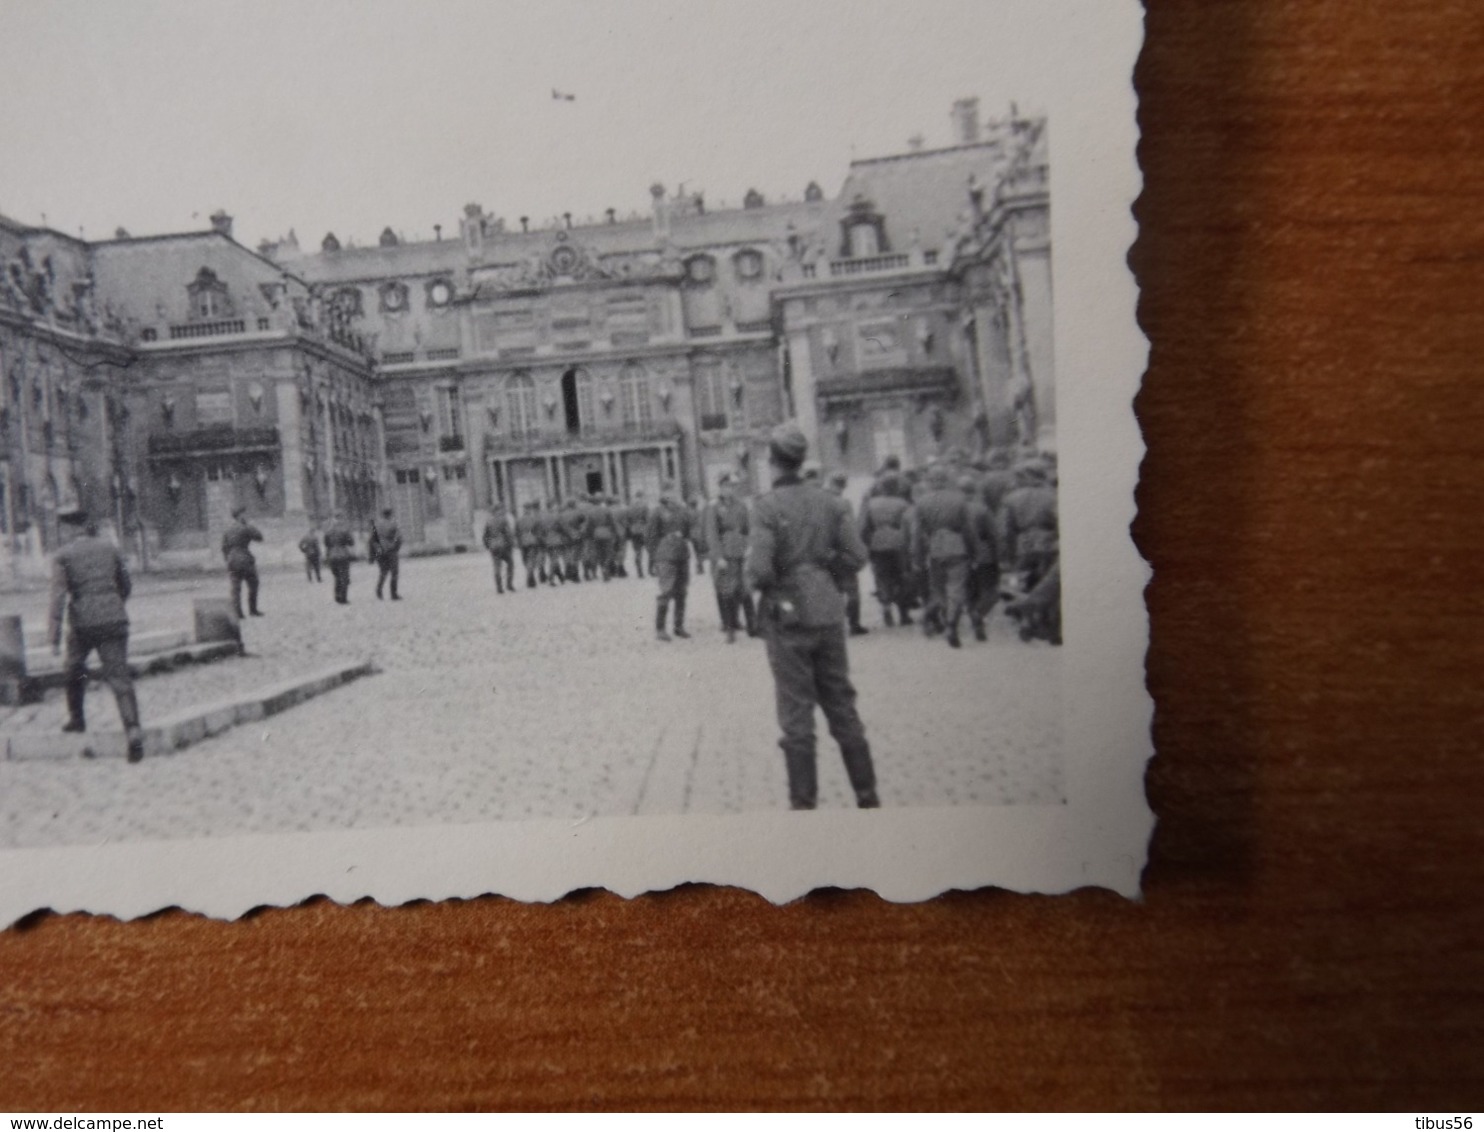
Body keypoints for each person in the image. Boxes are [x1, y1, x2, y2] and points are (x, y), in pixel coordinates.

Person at [746, 424, 878, 810]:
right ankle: (867, 796)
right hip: (827, 612)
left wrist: (785, 579)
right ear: (802, 461)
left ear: (772, 462)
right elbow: (856, 556)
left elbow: (759, 571)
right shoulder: (832, 503)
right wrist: (821, 571)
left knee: (795, 712)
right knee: (841, 703)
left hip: (787, 619)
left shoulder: (767, 507)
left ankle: (804, 805)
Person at [48, 509, 145, 762]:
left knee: (73, 668)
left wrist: (54, 635)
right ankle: (133, 730)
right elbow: (126, 585)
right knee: (119, 676)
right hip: (114, 619)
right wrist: (113, 604)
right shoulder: (110, 548)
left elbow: (57, 597)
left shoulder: (62, 555)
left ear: (69, 530)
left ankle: (77, 719)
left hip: (82, 624)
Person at [910, 465, 981, 649]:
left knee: (938, 589)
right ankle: (952, 625)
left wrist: (917, 557)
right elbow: (969, 529)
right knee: (956, 588)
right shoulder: (959, 500)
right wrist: (974, 553)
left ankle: (943, 616)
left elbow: (916, 533)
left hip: (935, 548)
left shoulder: (921, 502)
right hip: (957, 545)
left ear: (930, 481)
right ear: (947, 480)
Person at [703, 473, 756, 643]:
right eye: (727, 487)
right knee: (729, 591)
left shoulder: (741, 505)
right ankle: (730, 628)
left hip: (741, 551)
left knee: (746, 589)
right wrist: (718, 557)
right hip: (726, 554)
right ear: (721, 487)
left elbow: (749, 529)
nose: (730, 490)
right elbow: (712, 534)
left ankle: (753, 626)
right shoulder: (713, 507)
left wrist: (749, 547)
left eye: (733, 487)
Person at [859, 472, 913, 626]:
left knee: (882, 576)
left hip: (878, 543)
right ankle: (904, 612)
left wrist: (866, 544)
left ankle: (886, 605)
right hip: (898, 541)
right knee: (902, 575)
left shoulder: (871, 504)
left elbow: (864, 527)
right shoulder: (902, 503)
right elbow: (909, 524)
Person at [646, 484, 695, 641]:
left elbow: (689, 531)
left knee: (682, 592)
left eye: (675, 491)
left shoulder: (683, 511)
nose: (674, 494)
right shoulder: (656, 512)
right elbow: (650, 537)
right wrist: (653, 558)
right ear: (664, 494)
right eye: (670, 492)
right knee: (666, 591)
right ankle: (660, 629)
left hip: (682, 554)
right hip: (665, 556)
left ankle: (678, 626)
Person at [1002, 460, 1059, 591]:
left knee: (1015, 585)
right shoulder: (1053, 496)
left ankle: (1015, 606)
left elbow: (1006, 531)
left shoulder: (1011, 498)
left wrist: (1008, 556)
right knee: (1047, 586)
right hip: (1049, 545)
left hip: (1023, 545)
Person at [826, 472, 869, 636]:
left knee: (833, 590)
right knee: (851, 589)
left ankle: (834, 625)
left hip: (827, 553)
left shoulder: (819, 502)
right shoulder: (844, 504)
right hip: (843, 551)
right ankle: (854, 624)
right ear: (843, 486)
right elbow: (850, 530)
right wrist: (858, 552)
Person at [961, 474, 1001, 642]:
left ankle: (975, 620)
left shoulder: (955, 509)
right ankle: (980, 613)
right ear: (975, 490)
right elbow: (993, 535)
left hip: (962, 553)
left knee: (970, 591)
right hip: (984, 553)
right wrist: (999, 555)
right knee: (990, 590)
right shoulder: (982, 509)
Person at [221, 505, 264, 618]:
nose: (246, 515)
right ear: (240, 515)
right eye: (244, 513)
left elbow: (223, 547)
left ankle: (238, 613)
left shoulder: (227, 530)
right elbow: (259, 537)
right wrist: (248, 525)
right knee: (253, 584)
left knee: (235, 588)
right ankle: (253, 610)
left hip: (232, 560)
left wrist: (228, 559)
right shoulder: (245, 527)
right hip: (245, 559)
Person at [370, 507, 403, 600]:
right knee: (394, 572)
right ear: (390, 515)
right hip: (391, 550)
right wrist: (396, 548)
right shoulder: (393, 524)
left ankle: (379, 589)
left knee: (383, 571)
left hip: (380, 551)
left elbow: (372, 540)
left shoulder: (376, 525)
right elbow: (399, 538)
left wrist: (373, 553)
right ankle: (393, 594)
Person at [483, 503, 517, 594]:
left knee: (496, 566)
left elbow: (485, 536)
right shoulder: (503, 520)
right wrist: (511, 544)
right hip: (503, 545)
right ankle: (509, 584)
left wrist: (488, 546)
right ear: (498, 510)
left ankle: (499, 587)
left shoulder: (488, 521)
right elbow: (508, 533)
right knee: (510, 564)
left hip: (493, 546)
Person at [323, 512, 356, 604]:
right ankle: (343, 598)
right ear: (341, 518)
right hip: (343, 554)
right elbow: (351, 542)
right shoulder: (345, 530)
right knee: (344, 577)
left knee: (337, 577)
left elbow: (326, 544)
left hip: (332, 555)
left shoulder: (328, 531)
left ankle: (337, 595)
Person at [588, 494, 620, 581]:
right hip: (606, 532)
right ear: (602, 500)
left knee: (600, 554)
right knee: (609, 553)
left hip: (596, 533)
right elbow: (612, 522)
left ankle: (603, 568)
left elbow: (589, 525)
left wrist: (590, 534)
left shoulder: (591, 511)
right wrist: (616, 533)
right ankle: (606, 568)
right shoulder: (606, 510)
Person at [516, 502, 544, 588]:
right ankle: (530, 578)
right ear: (529, 509)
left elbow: (516, 532)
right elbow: (538, 532)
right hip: (533, 541)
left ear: (524, 509)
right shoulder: (534, 519)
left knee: (525, 560)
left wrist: (519, 542)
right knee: (531, 560)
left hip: (523, 542)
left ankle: (530, 577)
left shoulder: (519, 520)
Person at [624, 492, 650, 578]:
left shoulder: (630, 507)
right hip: (643, 529)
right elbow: (648, 519)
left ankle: (640, 571)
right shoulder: (645, 505)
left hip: (634, 529)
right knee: (649, 549)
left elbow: (627, 520)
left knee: (637, 551)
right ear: (642, 496)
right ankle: (651, 569)